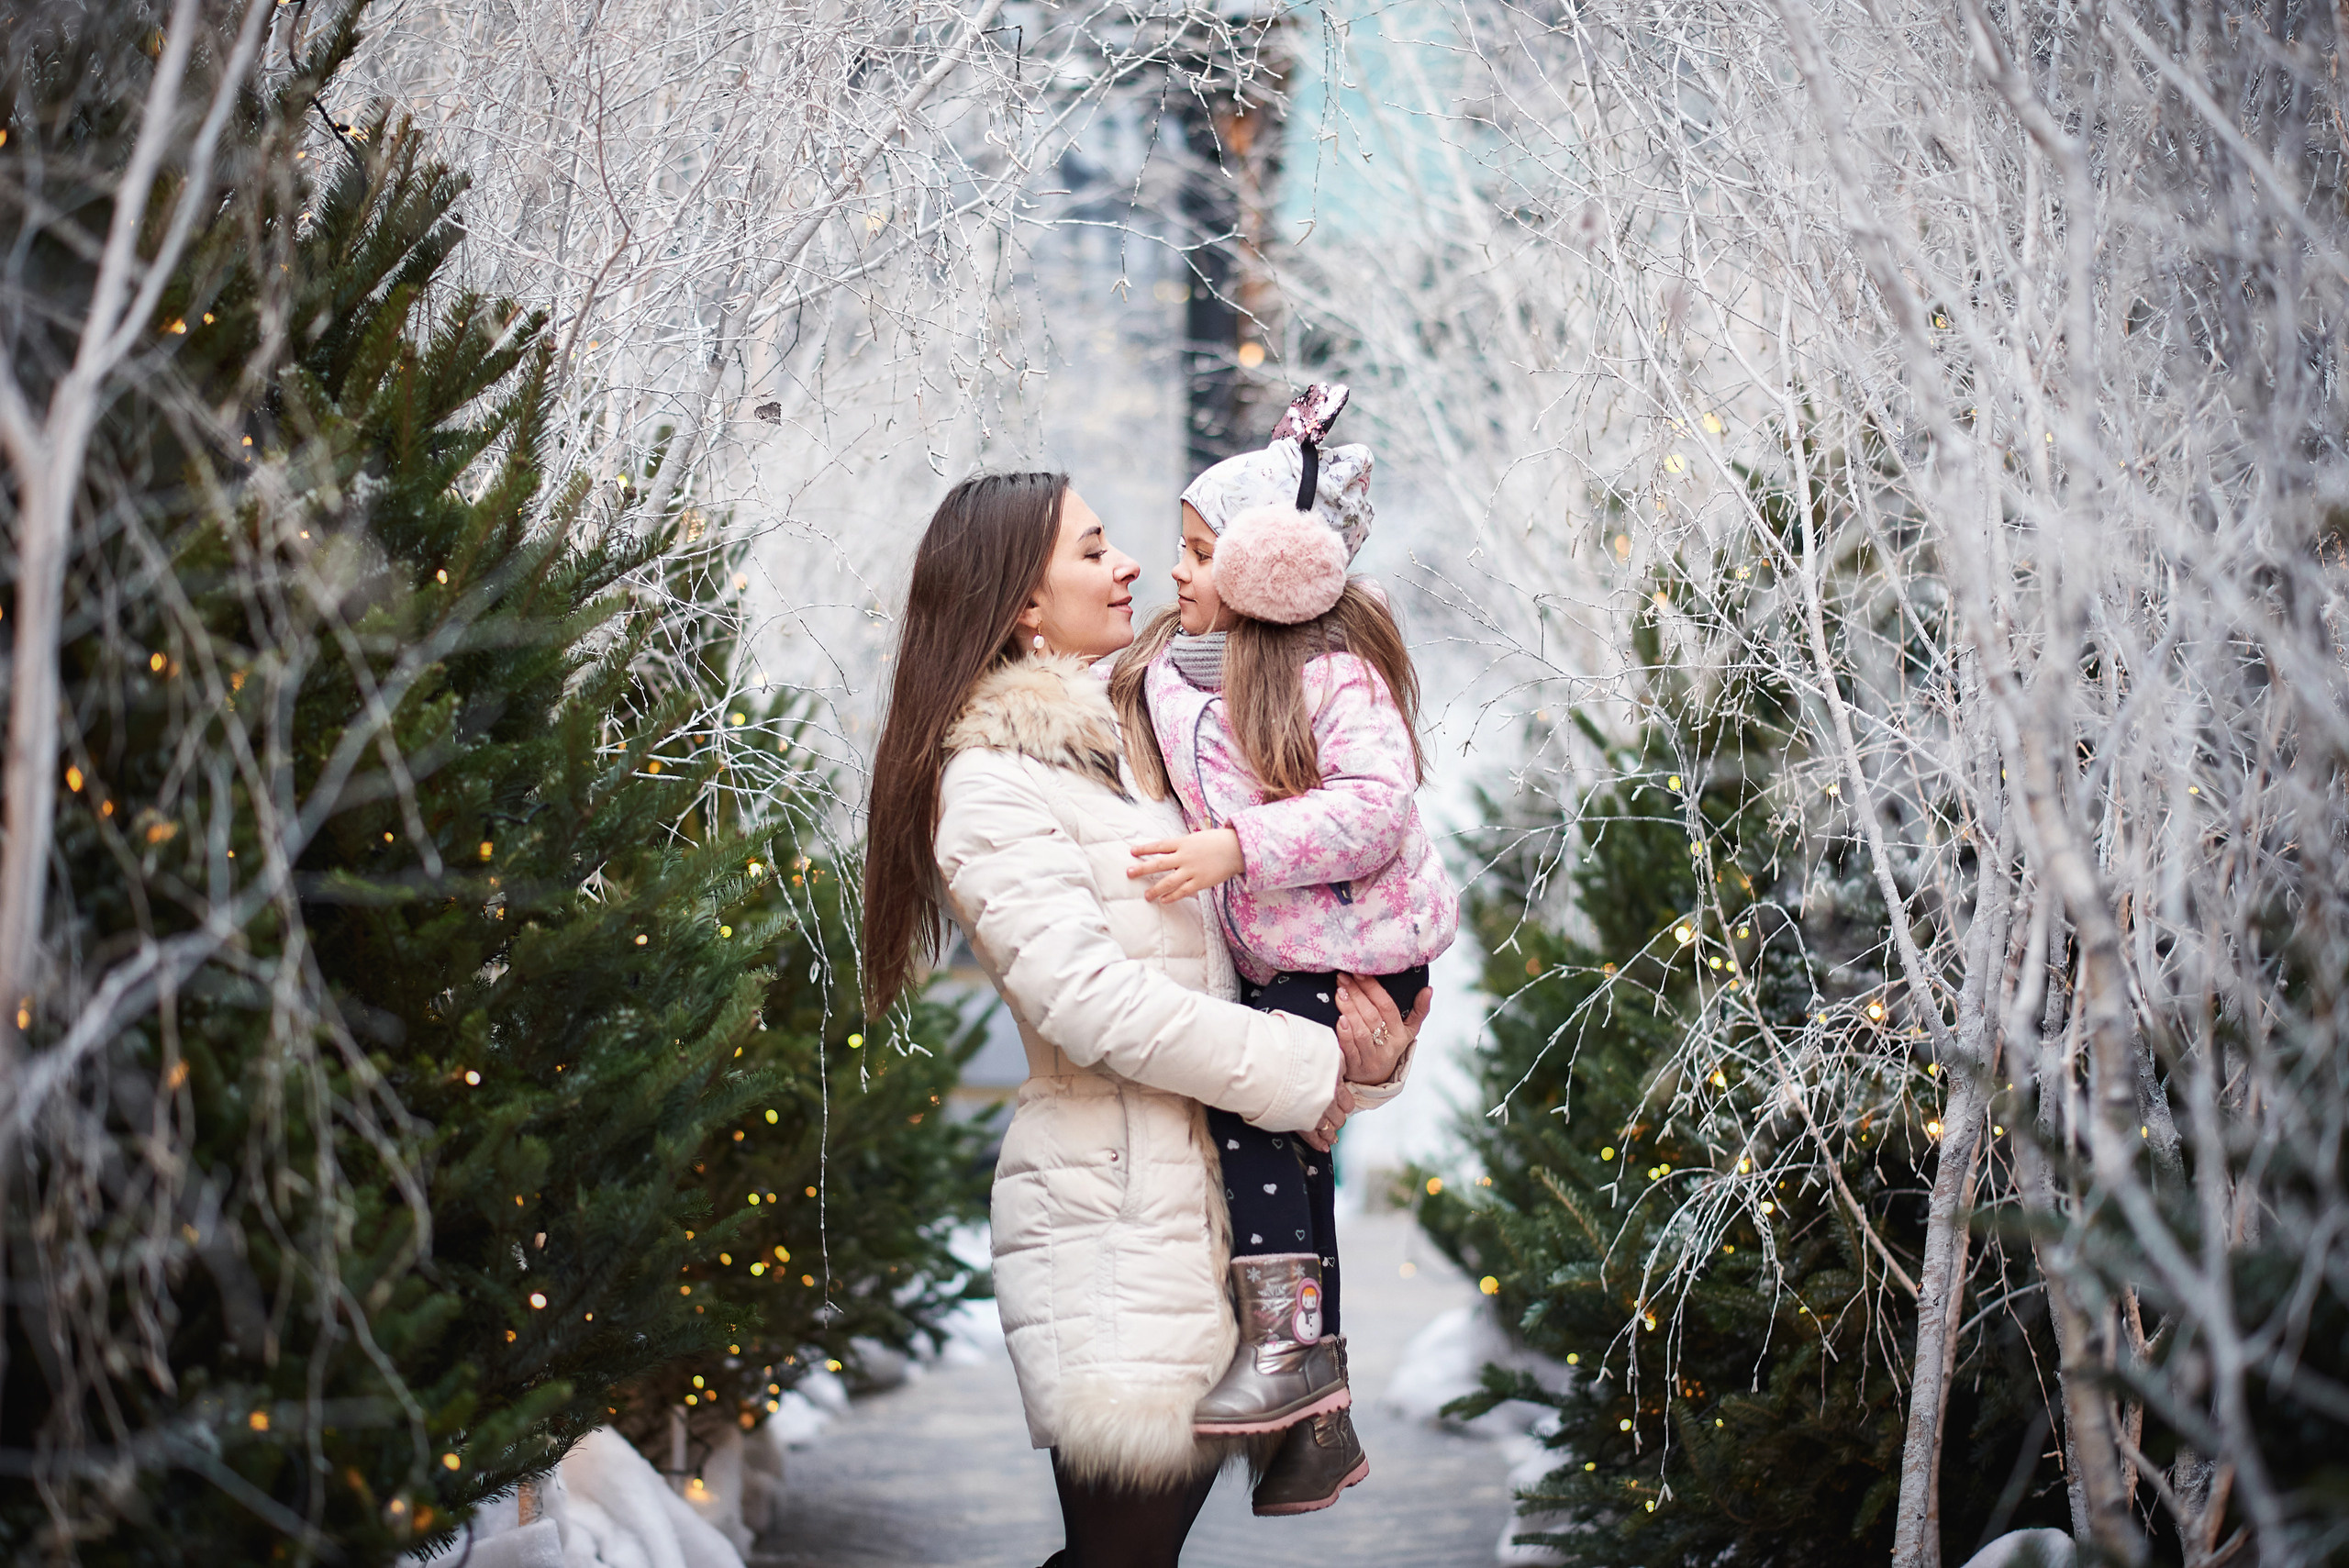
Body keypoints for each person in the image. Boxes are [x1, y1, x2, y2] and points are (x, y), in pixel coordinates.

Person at [861, 471, 1429, 1568]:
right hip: (1110, 1212)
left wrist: (1365, 1054)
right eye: (1093, 548)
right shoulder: (990, 782)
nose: (1127, 565)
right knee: (1119, 1554)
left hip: (1208, 1202)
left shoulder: (1136, 746)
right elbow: (1086, 1001)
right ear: (1021, 604)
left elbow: (1257, 950)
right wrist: (1308, 1064)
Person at [1107, 384, 1457, 1517]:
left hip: (1359, 952)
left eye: (1202, 555)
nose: (1177, 572)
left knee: (1256, 1115)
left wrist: (1234, 847)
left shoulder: (1328, 673)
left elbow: (1378, 804)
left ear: (1268, 572)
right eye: (1181, 548)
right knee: (1290, 1163)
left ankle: (1290, 1355)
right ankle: (1315, 1413)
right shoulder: (1172, 672)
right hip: (1282, 959)